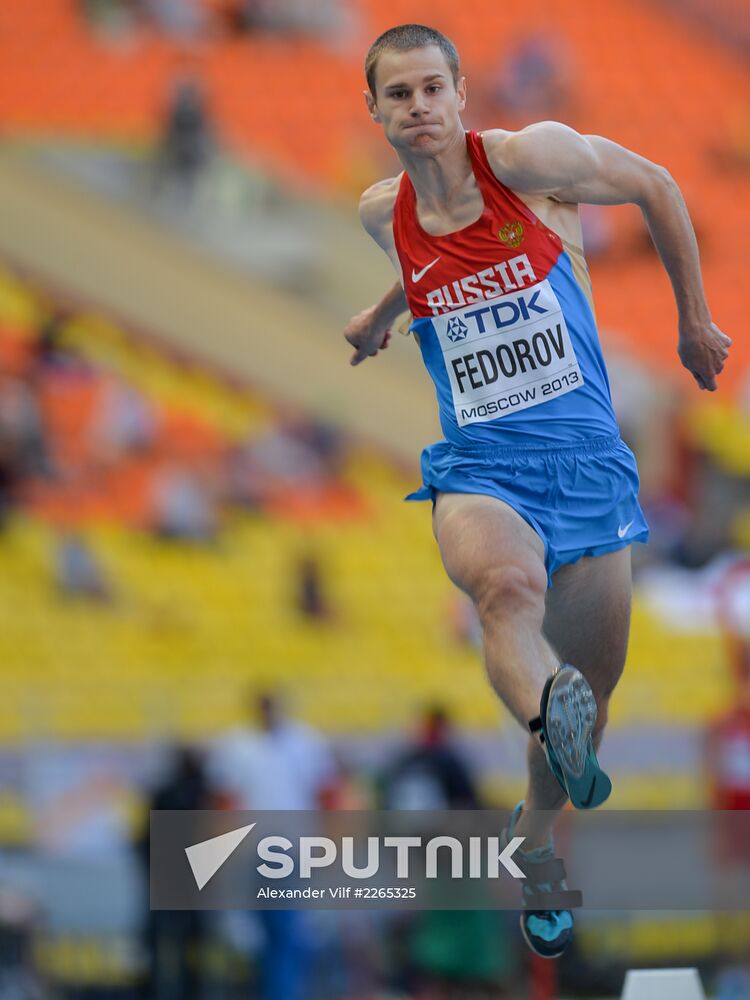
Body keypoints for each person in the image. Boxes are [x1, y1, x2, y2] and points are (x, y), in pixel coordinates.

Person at [343, 23, 731, 958]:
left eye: (432, 89)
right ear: (376, 111)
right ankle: (544, 706)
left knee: (594, 692)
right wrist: (384, 312)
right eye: (399, 95)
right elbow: (426, 269)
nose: (418, 108)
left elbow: (657, 184)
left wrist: (693, 322)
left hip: (588, 466)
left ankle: (535, 836)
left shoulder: (528, 162)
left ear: (460, 93)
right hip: (481, 467)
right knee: (504, 590)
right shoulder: (380, 213)